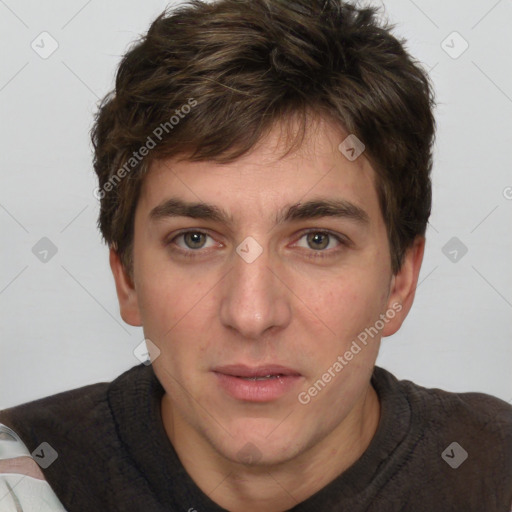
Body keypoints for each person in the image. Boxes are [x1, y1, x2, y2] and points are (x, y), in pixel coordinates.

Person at [1, 0, 511, 510]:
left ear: (399, 281)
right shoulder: (21, 479)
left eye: (318, 240)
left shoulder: (493, 470)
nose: (252, 314)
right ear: (127, 278)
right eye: (195, 239)